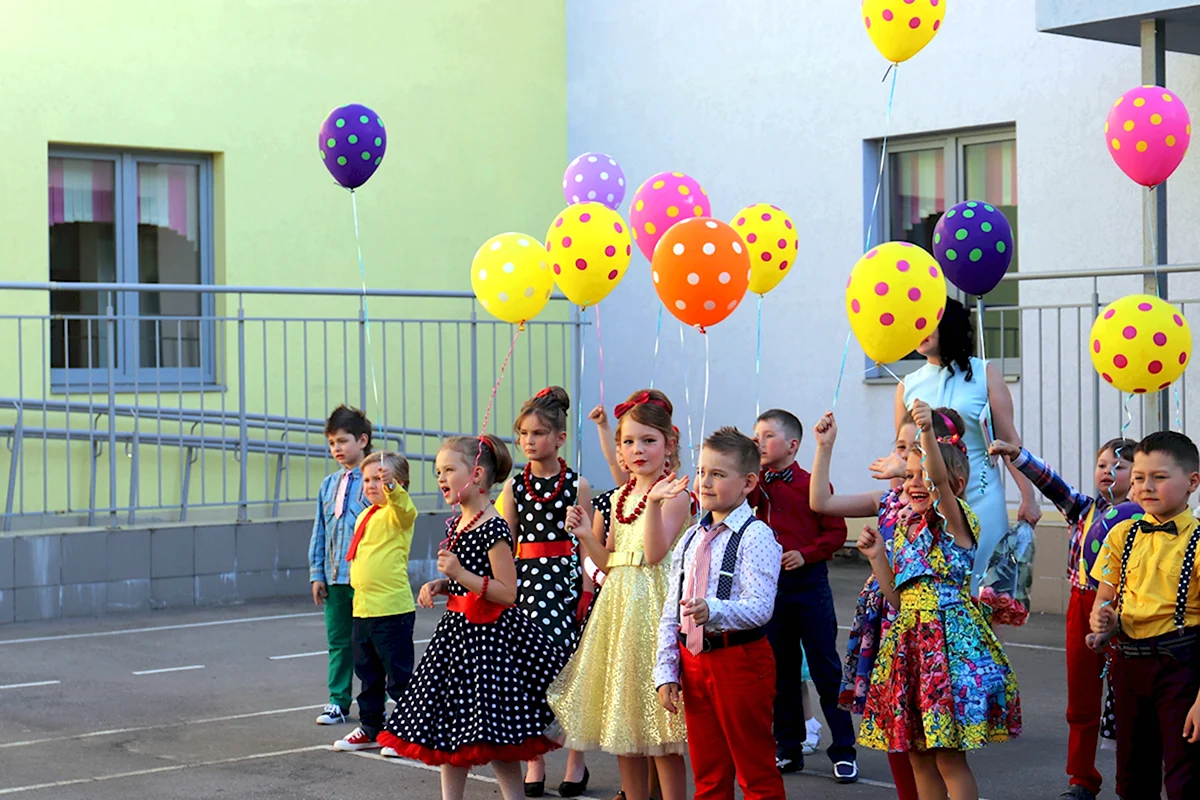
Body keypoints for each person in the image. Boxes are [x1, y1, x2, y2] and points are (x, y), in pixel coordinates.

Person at [378, 435, 566, 800]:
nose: (441, 478)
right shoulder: (459, 522)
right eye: (438, 472)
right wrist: (443, 584)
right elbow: (465, 581)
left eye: (449, 469)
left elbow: (507, 592)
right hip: (457, 639)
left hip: (489, 643)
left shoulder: (493, 526)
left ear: (476, 474)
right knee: (451, 736)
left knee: (498, 738)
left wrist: (461, 575)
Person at [858, 399, 1021, 800]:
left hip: (947, 648)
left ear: (956, 485)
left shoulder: (956, 519)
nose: (914, 483)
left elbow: (939, 483)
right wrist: (877, 556)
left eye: (923, 475)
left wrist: (927, 432)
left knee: (947, 755)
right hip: (909, 644)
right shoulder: (903, 527)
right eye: (908, 475)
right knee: (918, 756)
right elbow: (896, 598)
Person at [811, 407, 961, 800]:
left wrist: (914, 454)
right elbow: (821, 504)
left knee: (934, 737)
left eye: (916, 450)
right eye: (900, 447)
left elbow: (939, 480)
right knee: (896, 724)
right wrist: (824, 448)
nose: (905, 457)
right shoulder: (887, 499)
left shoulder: (942, 507)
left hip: (923, 627)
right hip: (884, 619)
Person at [549, 389, 691, 800]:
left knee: (661, 729)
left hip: (657, 610)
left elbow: (654, 552)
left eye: (649, 440)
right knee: (625, 719)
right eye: (629, 442)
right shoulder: (620, 497)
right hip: (620, 612)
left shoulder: (675, 493)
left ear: (669, 445)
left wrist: (651, 504)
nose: (638, 449)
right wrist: (581, 534)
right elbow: (609, 560)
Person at [989, 436, 1136, 800]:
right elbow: (1052, 482)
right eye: (1102, 465)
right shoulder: (1083, 510)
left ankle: (1131, 781)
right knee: (1082, 700)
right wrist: (1018, 456)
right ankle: (1082, 779)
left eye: (1119, 466)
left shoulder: (1145, 518)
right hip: (1082, 606)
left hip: (1128, 612)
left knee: (1129, 700)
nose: (1108, 471)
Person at [654, 426, 784, 800]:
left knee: (755, 768)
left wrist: (714, 609)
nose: (705, 482)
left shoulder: (755, 535)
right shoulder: (693, 536)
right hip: (694, 661)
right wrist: (667, 670)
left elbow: (760, 607)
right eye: (701, 472)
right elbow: (671, 609)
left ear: (747, 483)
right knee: (708, 773)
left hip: (740, 662)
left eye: (718, 474)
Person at [897, 298, 1041, 592]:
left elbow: (1009, 441)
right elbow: (905, 453)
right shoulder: (907, 384)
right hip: (928, 505)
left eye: (929, 322)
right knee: (935, 592)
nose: (920, 329)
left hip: (982, 499)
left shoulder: (985, 373)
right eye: (917, 323)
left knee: (985, 590)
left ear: (949, 325)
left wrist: (1028, 495)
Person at [1089, 431, 1200, 800]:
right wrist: (1103, 623)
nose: (1146, 486)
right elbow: (1105, 599)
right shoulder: (1122, 534)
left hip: (1181, 667)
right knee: (1133, 774)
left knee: (1185, 774)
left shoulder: (1198, 541)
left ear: (1192, 483)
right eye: (1138, 477)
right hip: (1130, 666)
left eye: (1160, 477)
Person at [498, 386, 594, 798]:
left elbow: (588, 543)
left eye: (538, 433)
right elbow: (505, 546)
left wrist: (587, 591)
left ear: (559, 438)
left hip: (566, 583)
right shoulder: (513, 488)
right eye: (522, 434)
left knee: (569, 672)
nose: (528, 441)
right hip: (528, 586)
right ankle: (535, 759)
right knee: (531, 673)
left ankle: (577, 760)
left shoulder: (578, 485)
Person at [751, 408, 856, 782]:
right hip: (770, 590)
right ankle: (788, 748)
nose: (758, 441)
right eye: (756, 435)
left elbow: (836, 534)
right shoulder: (754, 486)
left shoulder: (813, 485)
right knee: (779, 673)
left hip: (809, 587)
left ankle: (843, 749)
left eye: (767, 435)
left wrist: (806, 553)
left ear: (793, 445)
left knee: (826, 670)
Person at [331, 451, 418, 752]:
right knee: (367, 675)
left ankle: (407, 730)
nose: (371, 485)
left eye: (379, 479)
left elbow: (404, 508)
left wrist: (393, 489)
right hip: (363, 609)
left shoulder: (399, 514)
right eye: (367, 479)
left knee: (399, 677)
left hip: (392, 609)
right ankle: (370, 726)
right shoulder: (365, 516)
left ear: (399, 483)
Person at [308, 404, 373, 726]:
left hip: (366, 580)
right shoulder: (327, 485)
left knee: (371, 643)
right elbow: (320, 530)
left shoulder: (375, 480)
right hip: (335, 577)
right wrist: (317, 573)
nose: (337, 449)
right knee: (338, 642)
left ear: (362, 441)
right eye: (332, 443)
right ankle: (338, 701)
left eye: (343, 441)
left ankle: (378, 698)